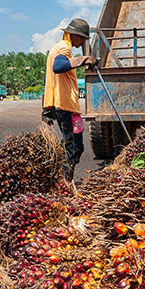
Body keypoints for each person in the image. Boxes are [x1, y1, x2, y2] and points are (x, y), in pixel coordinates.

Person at [42, 18, 97, 181]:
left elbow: (49, 79)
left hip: (65, 106)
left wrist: (46, 107)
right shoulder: (64, 49)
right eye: (81, 38)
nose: (82, 42)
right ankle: (65, 182)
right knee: (73, 147)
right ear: (72, 35)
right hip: (65, 106)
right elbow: (57, 68)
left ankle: (59, 175)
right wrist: (83, 60)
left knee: (71, 144)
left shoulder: (56, 48)